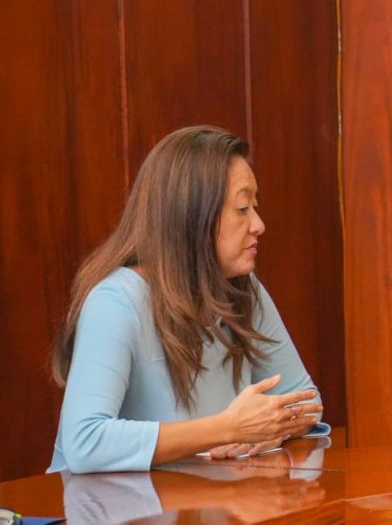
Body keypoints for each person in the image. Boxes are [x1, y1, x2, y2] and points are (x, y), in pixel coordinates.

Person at [49, 125, 323, 473]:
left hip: (209, 494)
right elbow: (85, 442)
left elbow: (306, 400)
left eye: (255, 206)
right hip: (112, 501)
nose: (258, 224)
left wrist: (273, 430)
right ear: (191, 217)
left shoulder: (243, 288)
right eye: (242, 208)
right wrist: (227, 428)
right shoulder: (115, 302)